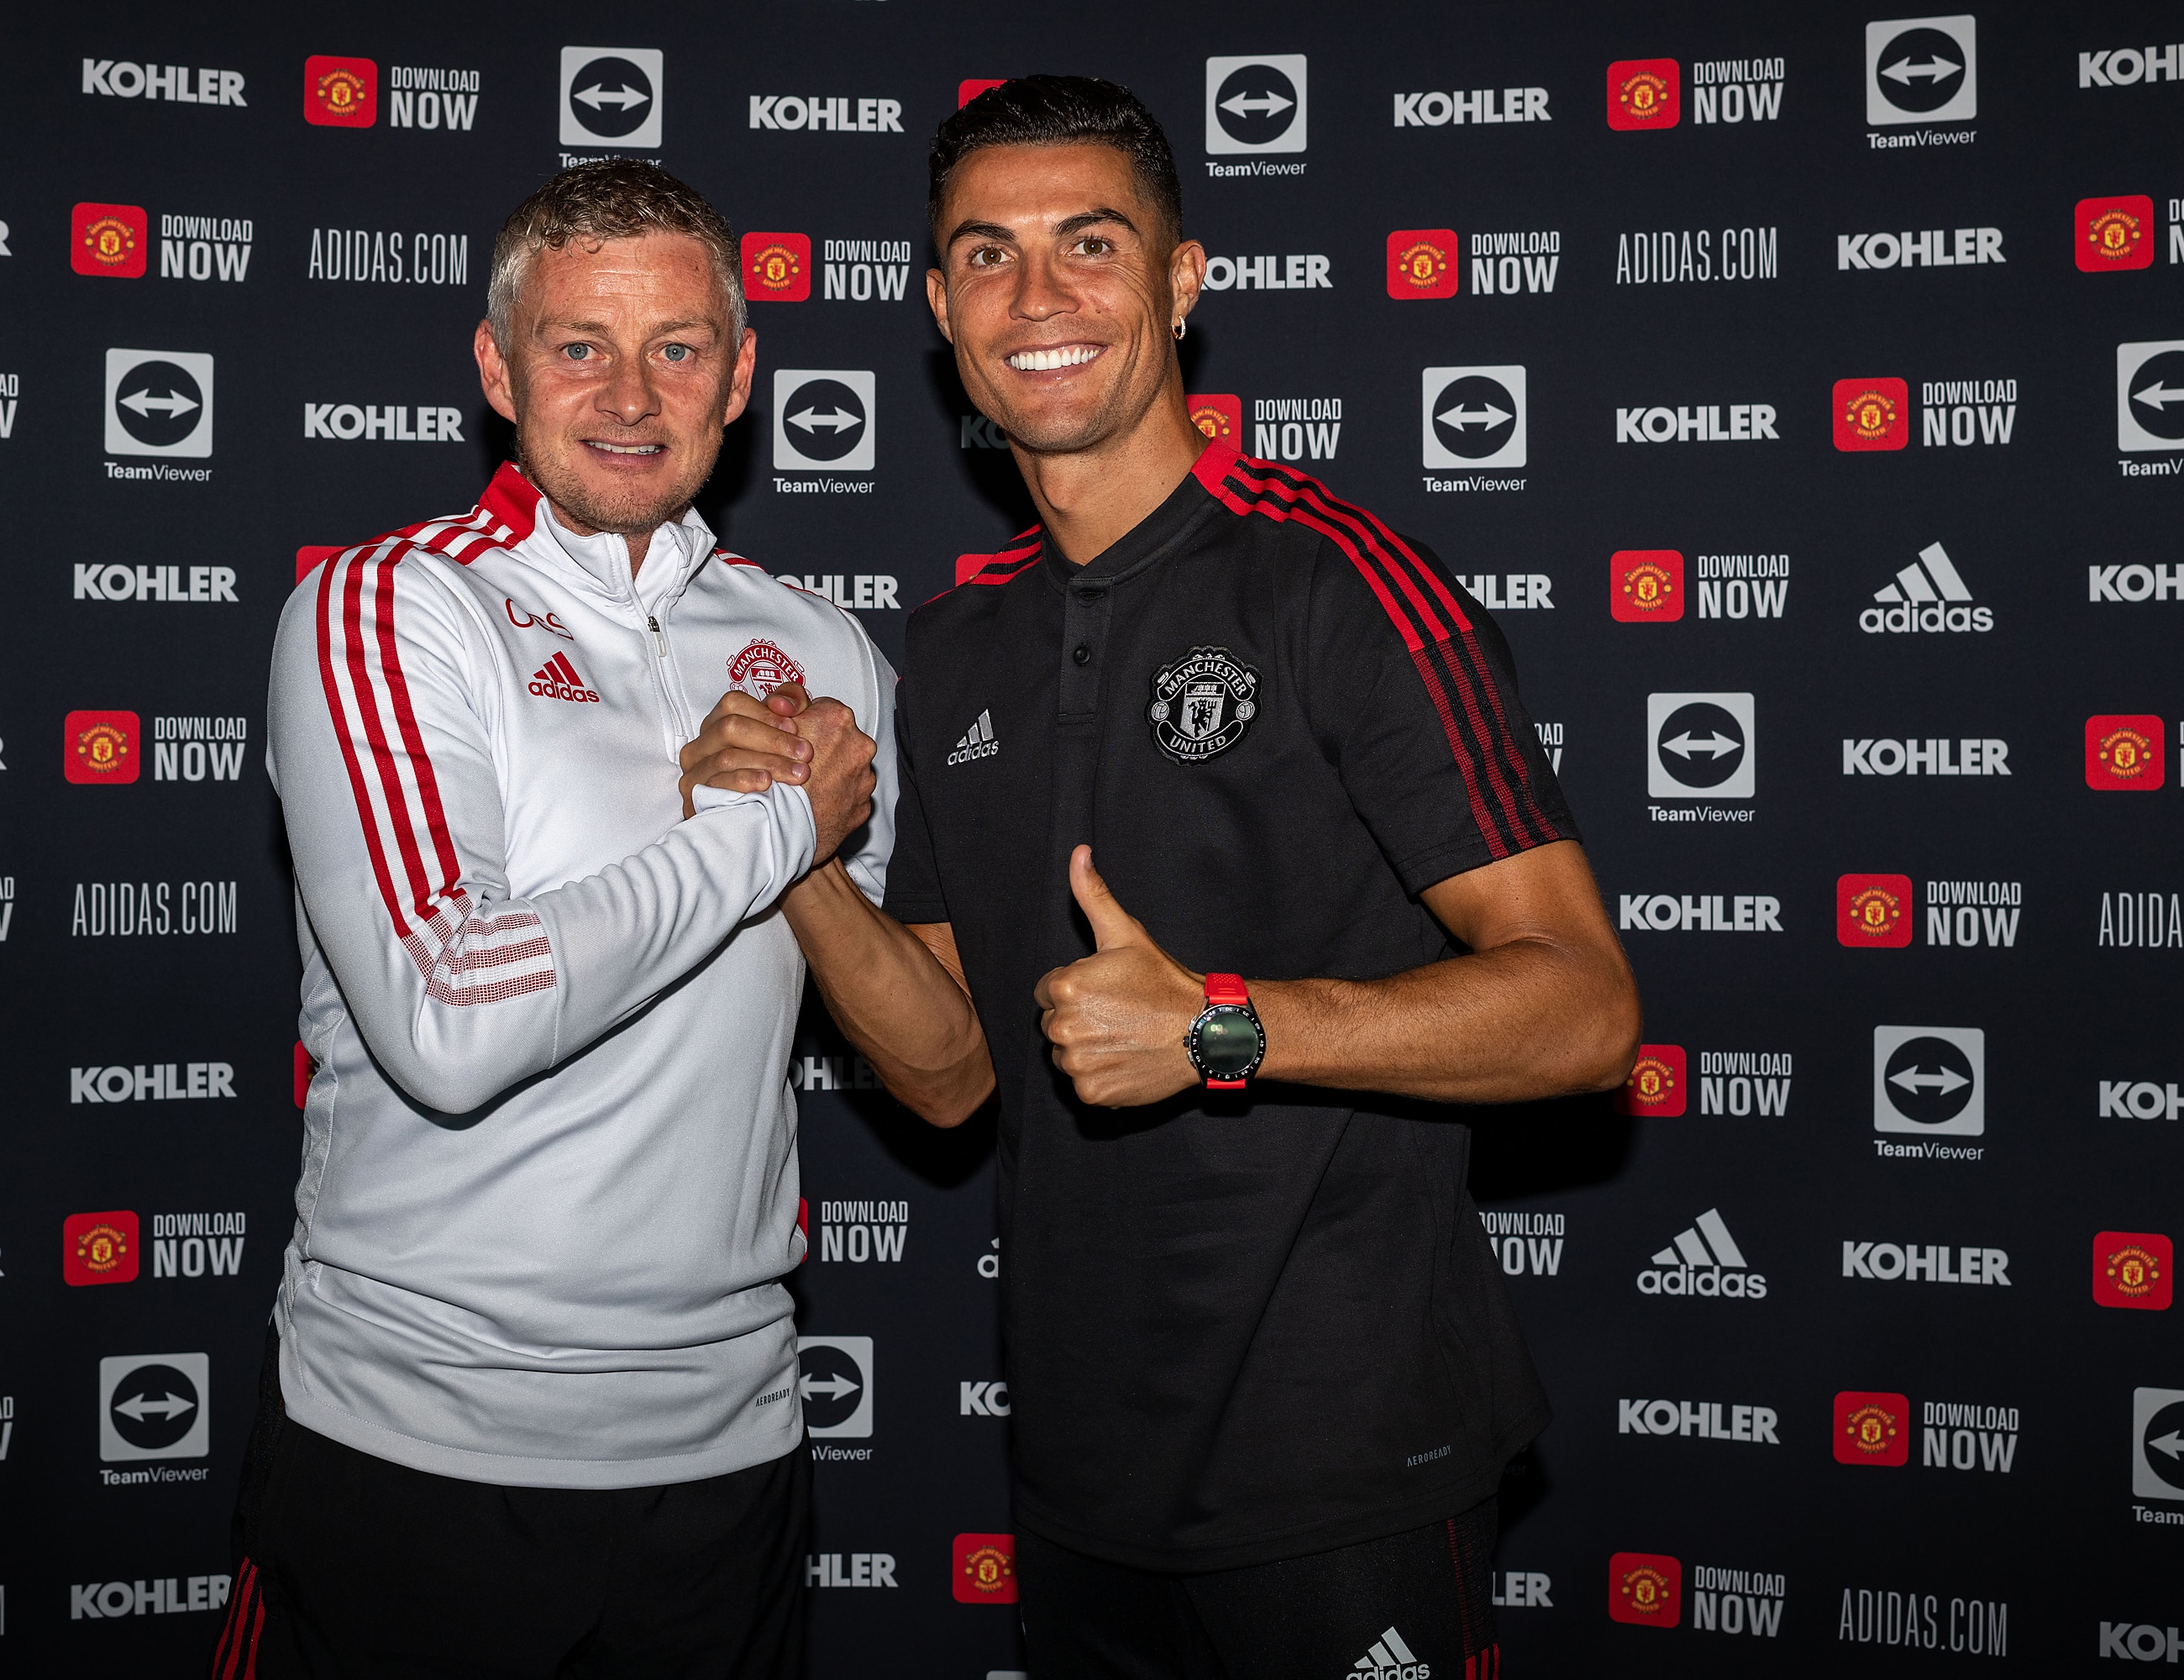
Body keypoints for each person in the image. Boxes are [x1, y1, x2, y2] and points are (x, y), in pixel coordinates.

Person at [698, 77, 1640, 1679]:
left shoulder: (1341, 584)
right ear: (938, 308)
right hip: (1081, 1481)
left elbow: (1585, 1011)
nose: (1039, 298)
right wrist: (785, 854)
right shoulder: (954, 643)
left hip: (1350, 1466)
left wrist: (1220, 1025)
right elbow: (942, 1077)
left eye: (1090, 244)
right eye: (987, 256)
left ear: (1184, 282)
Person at [232, 158, 890, 1679]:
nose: (629, 392)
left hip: (731, 1454)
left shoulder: (825, 645)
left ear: (741, 374)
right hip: (416, 1447)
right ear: (496, 367)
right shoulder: (389, 607)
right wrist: (778, 825)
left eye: (677, 346)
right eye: (577, 344)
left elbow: (938, 1059)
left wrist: (797, 858)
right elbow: (451, 1018)